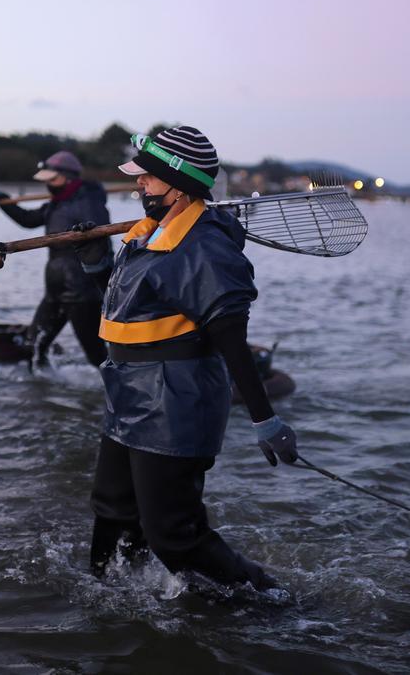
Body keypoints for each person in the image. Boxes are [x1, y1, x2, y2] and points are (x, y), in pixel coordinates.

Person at [76, 126, 298, 591]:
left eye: (148, 178)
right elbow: (123, 313)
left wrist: (264, 419)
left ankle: (273, 605)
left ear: (178, 187)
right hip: (128, 388)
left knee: (174, 533)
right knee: (113, 507)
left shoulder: (204, 247)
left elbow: (232, 340)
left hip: (176, 399)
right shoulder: (151, 233)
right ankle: (103, 594)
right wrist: (96, 264)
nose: (139, 184)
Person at [0, 151, 110, 367]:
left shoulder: (89, 200)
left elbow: (100, 240)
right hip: (55, 291)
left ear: (70, 178)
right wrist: (0, 199)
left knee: (96, 355)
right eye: (46, 180)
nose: (49, 184)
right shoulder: (56, 203)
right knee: (35, 346)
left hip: (82, 292)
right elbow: (28, 220)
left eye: (53, 179)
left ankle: (117, 394)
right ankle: (44, 389)